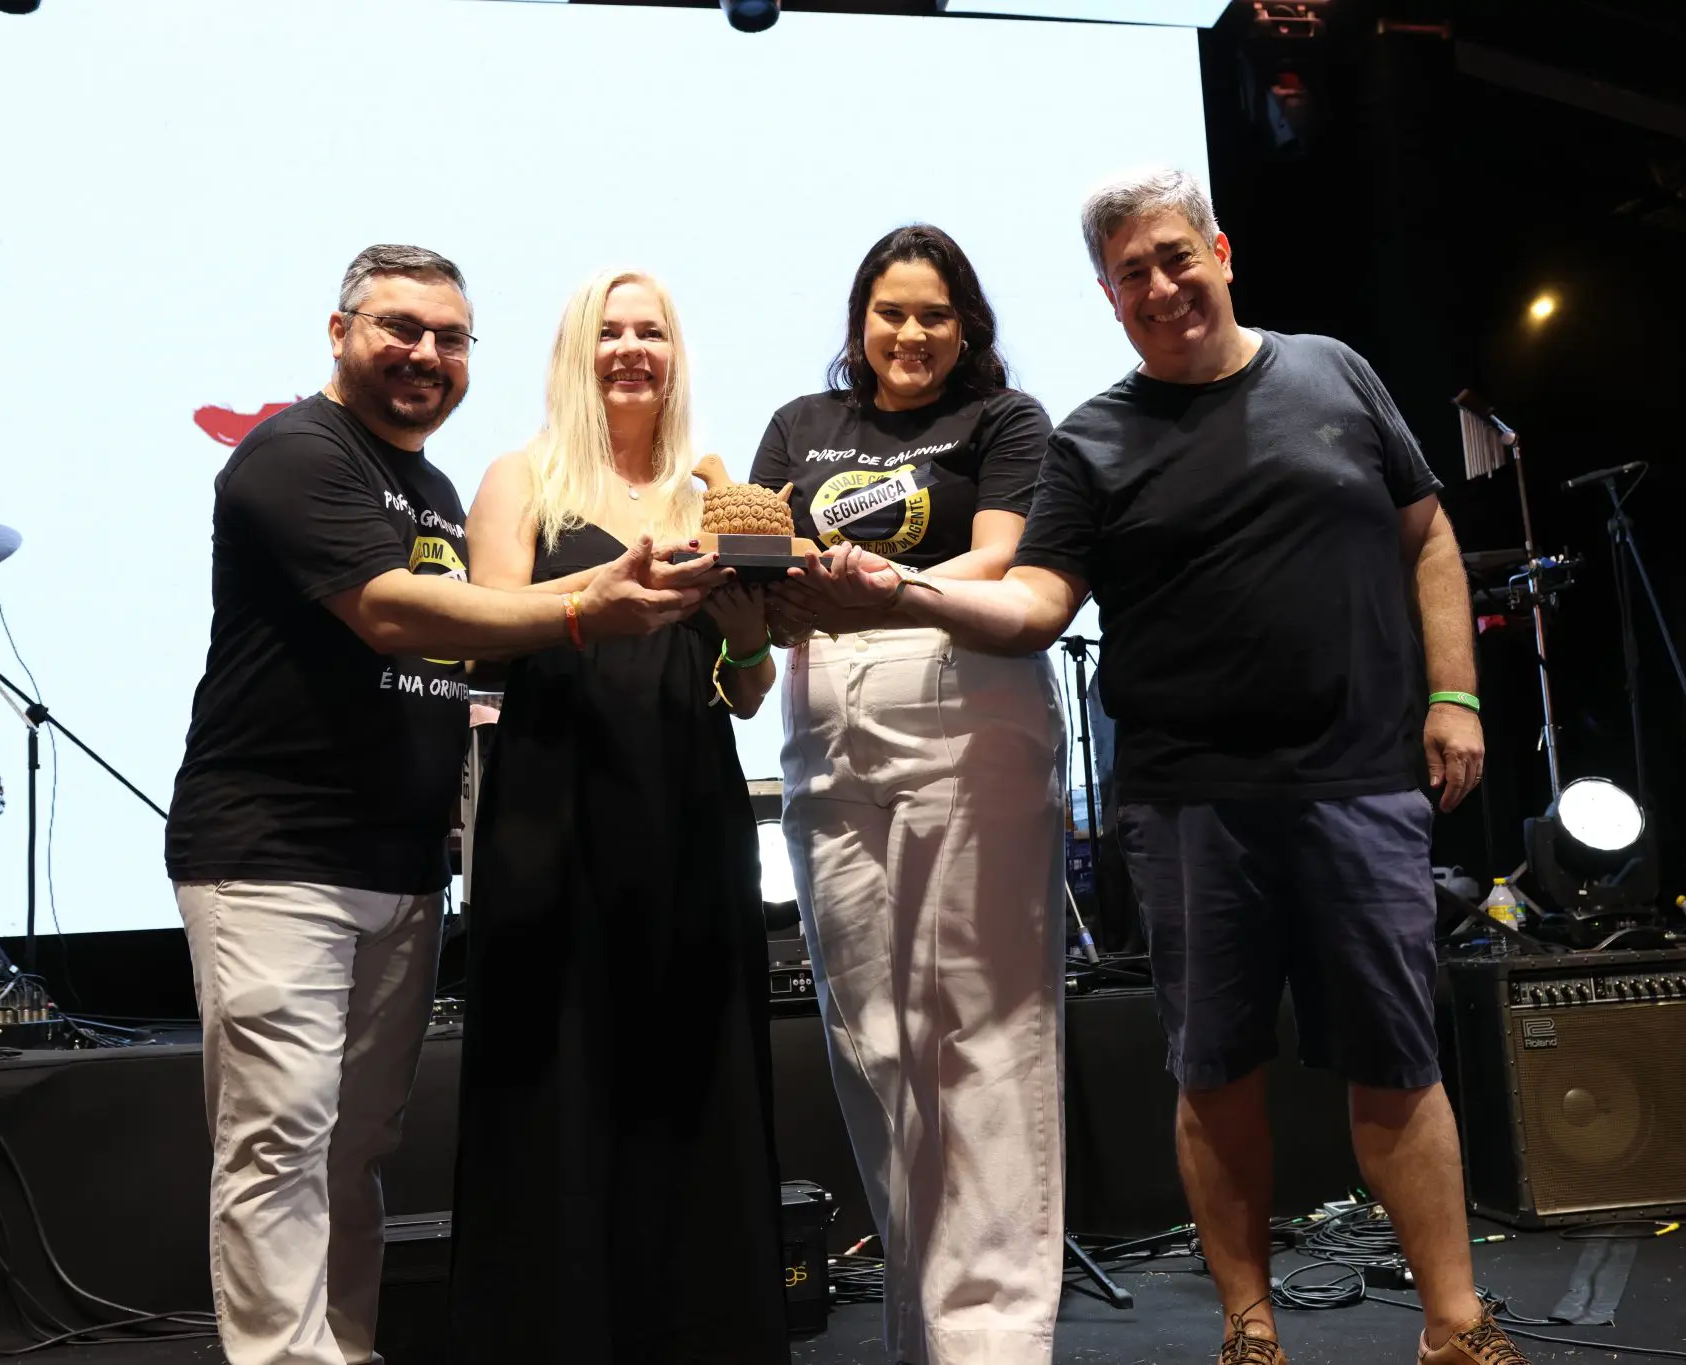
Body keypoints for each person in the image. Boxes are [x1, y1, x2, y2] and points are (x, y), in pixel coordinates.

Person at [799, 168, 1531, 1365]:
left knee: (1397, 1063)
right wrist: (909, 594)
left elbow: (1426, 535)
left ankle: (1454, 1326)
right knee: (1214, 1073)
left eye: (1173, 257)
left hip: (1357, 784)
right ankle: (1249, 1332)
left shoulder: (1332, 373)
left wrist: (1452, 697)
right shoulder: (1091, 440)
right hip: (1188, 803)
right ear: (1107, 295)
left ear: (1219, 253)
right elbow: (1035, 604)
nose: (1158, 286)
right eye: (1129, 273)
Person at [165, 244, 708, 1365]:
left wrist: (660, 587)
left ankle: (346, 1346)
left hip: (402, 862)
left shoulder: (431, 490)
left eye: (449, 338)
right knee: (278, 1145)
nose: (424, 353)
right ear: (340, 333)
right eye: (399, 328)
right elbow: (392, 612)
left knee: (352, 1146)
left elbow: (481, 640)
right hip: (276, 855)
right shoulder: (295, 454)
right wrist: (585, 609)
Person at [447, 267, 790, 1364]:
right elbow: (482, 632)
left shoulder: (708, 497)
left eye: (651, 332)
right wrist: (592, 604)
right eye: (609, 331)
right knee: (557, 1071)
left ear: (675, 355)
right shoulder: (522, 479)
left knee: (694, 1070)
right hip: (554, 808)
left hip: (691, 811)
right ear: (574, 353)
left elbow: (746, 688)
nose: (630, 349)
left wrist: (747, 634)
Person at [760, 224, 1067, 1365]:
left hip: (961, 695)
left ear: (965, 326)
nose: (911, 333)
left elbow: (1001, 559)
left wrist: (879, 585)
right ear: (860, 323)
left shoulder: (1004, 421)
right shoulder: (800, 424)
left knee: (982, 1034)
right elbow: (764, 566)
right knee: (874, 1043)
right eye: (891, 312)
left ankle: (996, 1340)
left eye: (934, 314)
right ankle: (929, 1329)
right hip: (824, 721)